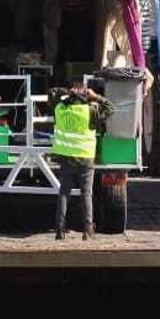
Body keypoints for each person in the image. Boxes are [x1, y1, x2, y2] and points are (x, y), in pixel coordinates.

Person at [51, 78, 112, 240]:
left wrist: (66, 92)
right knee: (86, 194)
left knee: (64, 193)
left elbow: (52, 93)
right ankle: (87, 230)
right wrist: (95, 96)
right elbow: (110, 108)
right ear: (85, 97)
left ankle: (59, 230)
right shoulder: (90, 111)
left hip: (66, 158)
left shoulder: (60, 110)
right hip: (85, 159)